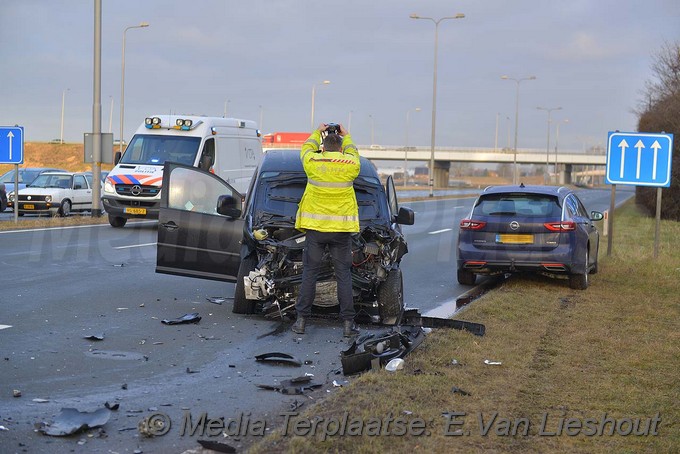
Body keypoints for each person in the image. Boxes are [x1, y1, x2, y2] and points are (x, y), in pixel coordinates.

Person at [292, 123, 361, 337]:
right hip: (341, 231)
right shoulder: (350, 163)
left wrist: (316, 132)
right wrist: (347, 135)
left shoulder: (313, 161)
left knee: (310, 273)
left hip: (316, 230)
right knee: (343, 276)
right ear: (340, 148)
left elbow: (305, 148)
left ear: (323, 147)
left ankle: (302, 321)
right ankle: (348, 325)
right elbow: (353, 152)